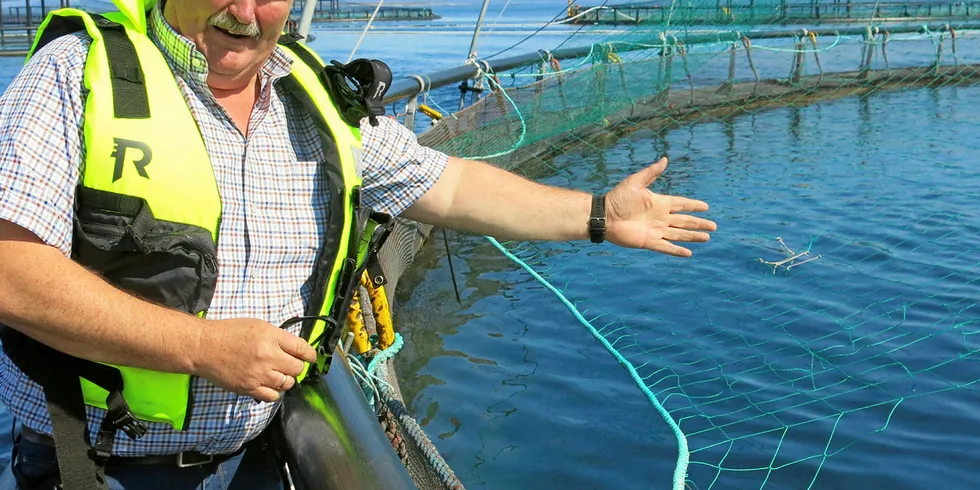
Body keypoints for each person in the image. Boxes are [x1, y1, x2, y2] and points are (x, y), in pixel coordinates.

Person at [0, 0, 717, 489]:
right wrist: (199, 348)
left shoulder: (309, 94)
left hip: (258, 450)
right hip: (98, 466)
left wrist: (598, 213)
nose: (245, 14)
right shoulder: (77, 75)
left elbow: (449, 187)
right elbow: (9, 271)